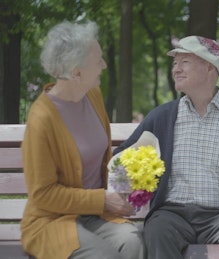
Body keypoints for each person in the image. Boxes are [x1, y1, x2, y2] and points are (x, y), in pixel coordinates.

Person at [114, 35, 219, 259]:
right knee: (156, 231)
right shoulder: (162, 117)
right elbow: (121, 159)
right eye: (175, 63)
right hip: (172, 215)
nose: (176, 69)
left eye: (184, 62)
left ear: (209, 67)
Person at [20, 21, 145, 259]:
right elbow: (43, 195)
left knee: (134, 243)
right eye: (98, 60)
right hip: (53, 220)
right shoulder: (41, 119)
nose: (104, 65)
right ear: (77, 72)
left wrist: (127, 182)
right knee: (103, 256)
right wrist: (103, 200)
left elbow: (102, 160)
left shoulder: (93, 96)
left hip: (96, 215)